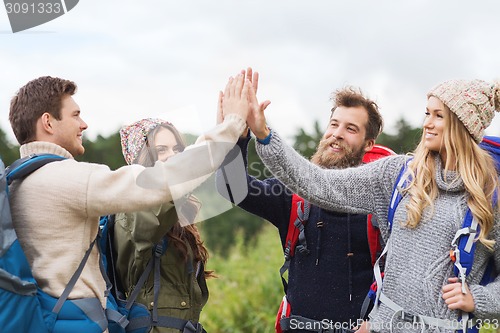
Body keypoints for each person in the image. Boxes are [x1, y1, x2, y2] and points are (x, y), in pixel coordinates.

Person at [244, 78, 500, 332]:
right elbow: (318, 183)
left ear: (462, 125)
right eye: (427, 113)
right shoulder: (398, 175)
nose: (427, 124)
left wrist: (479, 298)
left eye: (438, 116)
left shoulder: (490, 197)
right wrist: (264, 135)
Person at [7, 73, 251, 331]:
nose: (84, 123)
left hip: (42, 318)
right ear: (48, 122)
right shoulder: (69, 179)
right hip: (75, 321)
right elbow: (164, 181)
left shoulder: (16, 181)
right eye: (75, 114)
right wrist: (230, 126)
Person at [217, 73, 387, 333]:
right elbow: (233, 187)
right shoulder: (295, 196)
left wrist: (379, 324)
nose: (337, 134)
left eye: (350, 129)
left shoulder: (383, 203)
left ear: (369, 144)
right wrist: (238, 138)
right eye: (334, 124)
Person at [113, 118, 213, 332]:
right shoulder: (132, 208)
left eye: (178, 148)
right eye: (161, 150)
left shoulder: (176, 214)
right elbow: (153, 215)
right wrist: (211, 145)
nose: (173, 155)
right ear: (142, 159)